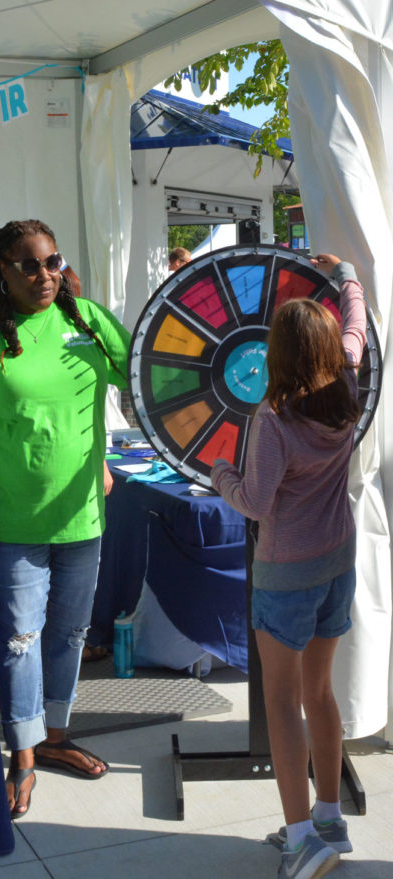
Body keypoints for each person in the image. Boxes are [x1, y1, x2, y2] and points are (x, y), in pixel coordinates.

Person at [0, 219, 131, 819]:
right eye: (28, 265)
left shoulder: (86, 320)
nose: (44, 275)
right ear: (1, 270)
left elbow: (148, 377)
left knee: (70, 633)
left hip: (81, 517)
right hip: (10, 519)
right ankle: (20, 753)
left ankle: (53, 736)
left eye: (52, 262)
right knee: (19, 639)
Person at [211, 253, 364, 879]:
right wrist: (348, 274)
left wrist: (220, 473)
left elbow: (253, 501)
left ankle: (302, 840)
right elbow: (355, 326)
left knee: (280, 701)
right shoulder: (346, 387)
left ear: (274, 356)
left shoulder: (270, 419)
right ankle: (329, 817)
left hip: (286, 571)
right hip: (337, 561)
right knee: (319, 692)